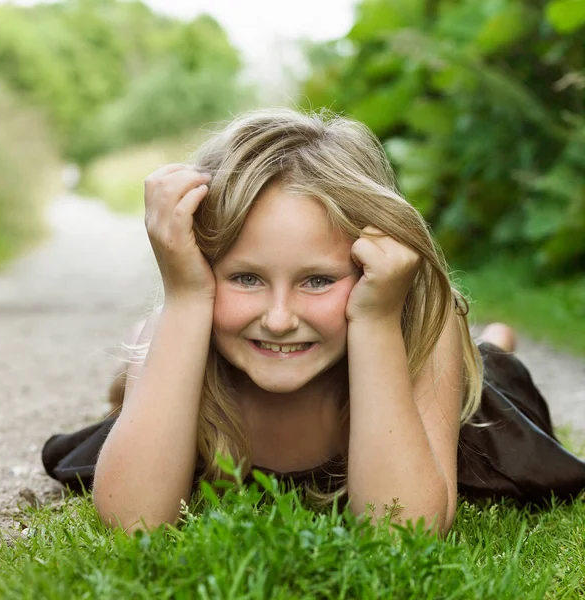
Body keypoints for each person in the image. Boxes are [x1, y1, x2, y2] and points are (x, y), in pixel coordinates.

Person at [41, 107, 585, 536]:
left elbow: (401, 535)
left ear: (374, 266)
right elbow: (133, 523)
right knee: (151, 346)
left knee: (487, 368)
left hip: (457, 399)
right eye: (247, 278)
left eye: (319, 280)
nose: (279, 319)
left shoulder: (414, 327)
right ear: (199, 267)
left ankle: (490, 343)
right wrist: (183, 300)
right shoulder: (183, 320)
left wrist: (373, 323)